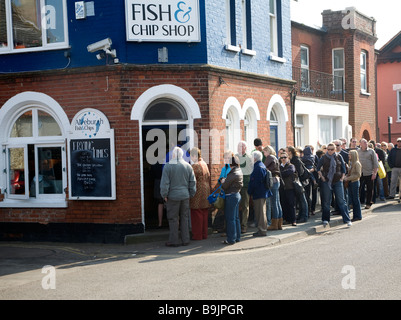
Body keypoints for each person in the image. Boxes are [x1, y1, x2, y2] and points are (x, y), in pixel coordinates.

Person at [160, 147, 196, 247]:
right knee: (184, 218)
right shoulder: (188, 166)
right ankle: (186, 240)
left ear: (174, 155)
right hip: (185, 196)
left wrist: (164, 195)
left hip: (172, 197)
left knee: (173, 219)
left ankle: (174, 241)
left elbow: (165, 183)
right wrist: (191, 194)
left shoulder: (168, 166)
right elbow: (192, 182)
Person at [317, 143, 352, 227]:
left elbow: (344, 169)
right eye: (328, 149)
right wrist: (322, 177)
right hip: (327, 181)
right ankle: (325, 219)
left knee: (341, 201)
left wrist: (342, 178)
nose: (330, 151)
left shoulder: (339, 157)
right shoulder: (323, 158)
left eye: (332, 149)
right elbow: (317, 168)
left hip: (337, 181)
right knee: (326, 201)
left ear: (335, 149)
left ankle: (347, 219)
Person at [220, 152, 243, 245]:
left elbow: (225, 186)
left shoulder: (232, 173)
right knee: (236, 218)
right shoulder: (239, 170)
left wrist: (223, 181)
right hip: (237, 195)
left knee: (230, 219)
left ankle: (231, 239)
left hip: (231, 196)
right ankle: (237, 237)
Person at [189, 147, 211, 240]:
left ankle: (197, 235)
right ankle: (204, 234)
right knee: (204, 212)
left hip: (198, 191)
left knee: (196, 213)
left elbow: (191, 179)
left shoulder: (195, 166)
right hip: (206, 189)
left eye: (191, 156)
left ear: (194, 155)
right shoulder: (204, 163)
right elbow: (209, 176)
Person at [248, 151, 269, 237]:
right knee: (261, 212)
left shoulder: (258, 167)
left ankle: (262, 230)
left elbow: (255, 182)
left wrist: (250, 191)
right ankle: (262, 229)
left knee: (260, 213)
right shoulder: (260, 165)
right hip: (261, 192)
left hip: (259, 193)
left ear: (255, 158)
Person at [286, 146, 309, 223]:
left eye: (286, 151)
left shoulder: (296, 160)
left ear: (290, 152)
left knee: (303, 200)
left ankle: (304, 216)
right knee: (300, 200)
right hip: (297, 182)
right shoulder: (292, 159)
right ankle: (300, 216)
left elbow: (300, 172)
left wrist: (294, 174)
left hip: (300, 182)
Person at [263, 145, 283, 230]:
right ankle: (279, 223)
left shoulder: (269, 157)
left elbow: (263, 167)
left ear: (267, 151)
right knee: (277, 202)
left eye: (264, 152)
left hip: (273, 180)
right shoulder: (275, 157)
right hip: (277, 180)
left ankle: (274, 224)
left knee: (274, 203)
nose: (264, 154)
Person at [236, 141, 253, 233]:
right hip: (235, 185)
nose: (238, 148)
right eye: (238, 146)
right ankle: (235, 225)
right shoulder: (235, 157)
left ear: (245, 148)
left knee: (245, 206)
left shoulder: (249, 157)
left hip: (246, 184)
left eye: (240, 146)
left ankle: (244, 225)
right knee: (235, 205)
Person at [357, 138, 379, 209]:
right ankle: (357, 202)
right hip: (360, 173)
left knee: (370, 189)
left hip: (369, 172)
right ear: (360, 144)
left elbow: (375, 163)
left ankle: (368, 203)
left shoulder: (371, 151)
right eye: (364, 142)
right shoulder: (358, 151)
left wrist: (374, 173)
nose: (366, 143)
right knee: (358, 188)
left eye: (366, 142)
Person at [279, 152, 297, 226]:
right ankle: (286, 219)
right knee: (283, 204)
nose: (283, 159)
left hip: (290, 187)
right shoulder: (279, 166)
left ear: (288, 158)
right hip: (282, 188)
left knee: (291, 204)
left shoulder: (291, 165)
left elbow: (289, 172)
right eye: (281, 158)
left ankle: (293, 220)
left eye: (284, 157)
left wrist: (281, 173)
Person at [344, 150, 362, 221]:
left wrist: (348, 178)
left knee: (356, 200)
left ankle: (358, 215)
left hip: (355, 182)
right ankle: (355, 216)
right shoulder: (351, 163)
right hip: (351, 182)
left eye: (350, 154)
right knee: (353, 200)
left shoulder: (357, 163)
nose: (349, 156)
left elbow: (358, 175)